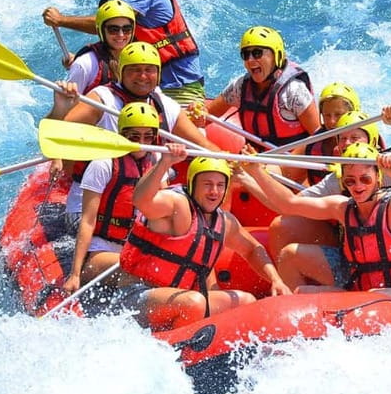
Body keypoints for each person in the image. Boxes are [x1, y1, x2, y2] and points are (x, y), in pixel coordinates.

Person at [243, 142, 391, 315]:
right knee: (302, 292)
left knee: (375, 296)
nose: (358, 186)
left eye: (365, 179)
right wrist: (256, 171)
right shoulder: (342, 208)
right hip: (365, 293)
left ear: (378, 178)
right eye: (350, 181)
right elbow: (289, 203)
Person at [52, 42, 217, 236]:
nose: (143, 76)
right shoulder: (102, 100)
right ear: (121, 72)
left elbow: (204, 146)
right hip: (91, 210)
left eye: (149, 70)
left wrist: (232, 162)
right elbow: (59, 134)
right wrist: (60, 109)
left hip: (139, 207)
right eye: (134, 70)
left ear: (158, 74)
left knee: (181, 216)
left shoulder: (164, 105)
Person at [120, 147, 291, 330]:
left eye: (220, 185)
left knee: (246, 302)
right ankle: (180, 344)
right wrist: (164, 162)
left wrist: (276, 280)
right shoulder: (177, 205)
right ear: (193, 184)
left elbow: (252, 250)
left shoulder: (225, 222)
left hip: (183, 298)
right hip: (139, 296)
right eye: (207, 184)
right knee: (194, 303)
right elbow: (141, 201)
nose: (214, 191)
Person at [43, 0, 204, 105]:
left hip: (178, 86)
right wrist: (85, 62)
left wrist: (61, 20)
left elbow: (105, 24)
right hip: (148, 86)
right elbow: (116, 46)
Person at [62, 102, 161, 295]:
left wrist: (167, 162)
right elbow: (88, 221)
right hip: (99, 249)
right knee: (144, 270)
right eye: (134, 136)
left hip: (131, 248)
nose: (141, 142)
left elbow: (162, 215)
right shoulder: (103, 164)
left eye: (148, 136)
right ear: (122, 135)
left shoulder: (156, 163)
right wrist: (75, 274)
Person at [195, 26, 320, 148]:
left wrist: (271, 160)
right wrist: (197, 112)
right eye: (245, 54)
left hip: (291, 159)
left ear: (276, 56)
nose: (250, 60)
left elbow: (318, 139)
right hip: (255, 157)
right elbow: (206, 115)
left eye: (257, 53)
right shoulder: (239, 87)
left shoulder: (294, 92)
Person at [46, 0, 135, 120]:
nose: (121, 35)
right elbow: (67, 113)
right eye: (113, 29)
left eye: (127, 29)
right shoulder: (85, 64)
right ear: (101, 30)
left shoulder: (139, 59)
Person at [283, 82, 362, 185]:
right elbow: (283, 170)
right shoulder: (314, 142)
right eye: (327, 115)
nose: (332, 121)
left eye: (338, 115)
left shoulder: (366, 142)